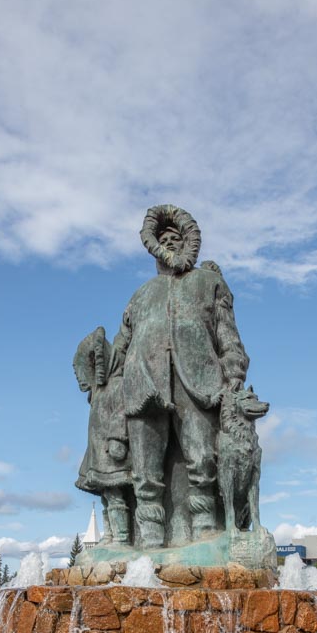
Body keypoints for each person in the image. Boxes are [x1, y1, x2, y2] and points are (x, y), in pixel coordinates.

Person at [109, 204, 249, 548]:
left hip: (199, 381)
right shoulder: (141, 295)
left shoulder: (208, 282)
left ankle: (204, 529)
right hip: (144, 382)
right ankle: (151, 537)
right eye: (164, 239)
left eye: (176, 238)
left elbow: (227, 334)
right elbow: (120, 346)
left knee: (202, 458)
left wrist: (234, 372)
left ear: (188, 242)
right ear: (154, 248)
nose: (170, 243)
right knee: (145, 469)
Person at [73, 326, 133, 544]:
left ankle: (122, 538)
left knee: (116, 496)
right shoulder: (98, 392)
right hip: (98, 453)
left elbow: (121, 412)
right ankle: (109, 535)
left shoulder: (118, 384)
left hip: (112, 453)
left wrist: (118, 437)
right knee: (107, 497)